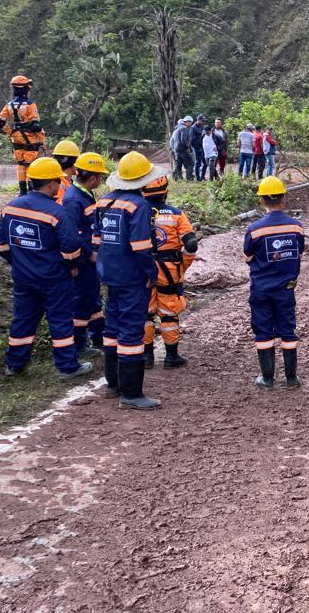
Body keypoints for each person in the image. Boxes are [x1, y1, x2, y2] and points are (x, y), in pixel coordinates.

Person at [0, 157, 93, 380]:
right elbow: (71, 248)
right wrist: (72, 267)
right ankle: (67, 367)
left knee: (23, 319)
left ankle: (14, 364)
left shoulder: (10, 208)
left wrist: (20, 264)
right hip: (54, 278)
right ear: (50, 183)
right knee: (60, 321)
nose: (60, 185)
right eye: (58, 181)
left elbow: (4, 246)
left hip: (23, 278)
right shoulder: (57, 213)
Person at [95, 151, 164, 409]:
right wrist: (151, 274)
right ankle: (132, 394)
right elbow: (141, 248)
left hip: (110, 274)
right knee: (132, 332)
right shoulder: (139, 206)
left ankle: (112, 384)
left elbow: (97, 240)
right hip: (132, 278)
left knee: (112, 328)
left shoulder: (104, 202)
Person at [244, 176, 303, 389]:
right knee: (288, 330)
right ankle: (291, 378)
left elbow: (248, 256)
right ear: (283, 198)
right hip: (286, 290)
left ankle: (267, 379)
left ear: (261, 200)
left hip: (261, 290)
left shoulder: (254, 229)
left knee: (263, 332)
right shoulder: (297, 227)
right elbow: (299, 252)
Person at [141, 175, 198, 369]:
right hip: (169, 272)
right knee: (169, 314)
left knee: (146, 313)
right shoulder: (176, 214)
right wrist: (183, 265)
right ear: (165, 192)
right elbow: (191, 243)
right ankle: (171, 357)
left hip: (143, 270)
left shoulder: (136, 212)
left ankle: (146, 357)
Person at [62, 152, 110, 359]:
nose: (101, 180)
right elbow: (73, 235)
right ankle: (79, 344)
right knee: (82, 301)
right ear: (92, 177)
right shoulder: (73, 200)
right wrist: (90, 255)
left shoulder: (84, 194)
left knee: (93, 299)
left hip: (91, 259)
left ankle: (99, 336)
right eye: (100, 176)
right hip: (83, 260)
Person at [0, 75, 46, 196]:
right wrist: (42, 140)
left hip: (15, 136)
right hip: (29, 137)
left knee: (20, 164)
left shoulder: (8, 105)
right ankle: (31, 190)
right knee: (30, 164)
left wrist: (10, 132)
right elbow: (36, 126)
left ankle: (22, 191)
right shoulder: (30, 105)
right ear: (25, 89)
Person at [171, 116, 195, 181]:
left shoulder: (177, 129)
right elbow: (183, 139)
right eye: (190, 122)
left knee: (178, 164)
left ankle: (176, 178)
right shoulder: (184, 128)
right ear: (187, 122)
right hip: (183, 149)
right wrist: (187, 147)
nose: (191, 124)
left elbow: (172, 141)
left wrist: (174, 149)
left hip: (177, 149)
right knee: (190, 163)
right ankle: (189, 178)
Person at [190, 115, 206, 182]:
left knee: (205, 163)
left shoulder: (202, 127)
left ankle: (202, 177)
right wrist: (197, 148)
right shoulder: (193, 128)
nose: (203, 122)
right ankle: (198, 178)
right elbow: (192, 140)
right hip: (197, 148)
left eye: (204, 121)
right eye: (202, 121)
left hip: (203, 147)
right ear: (198, 120)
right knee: (198, 163)